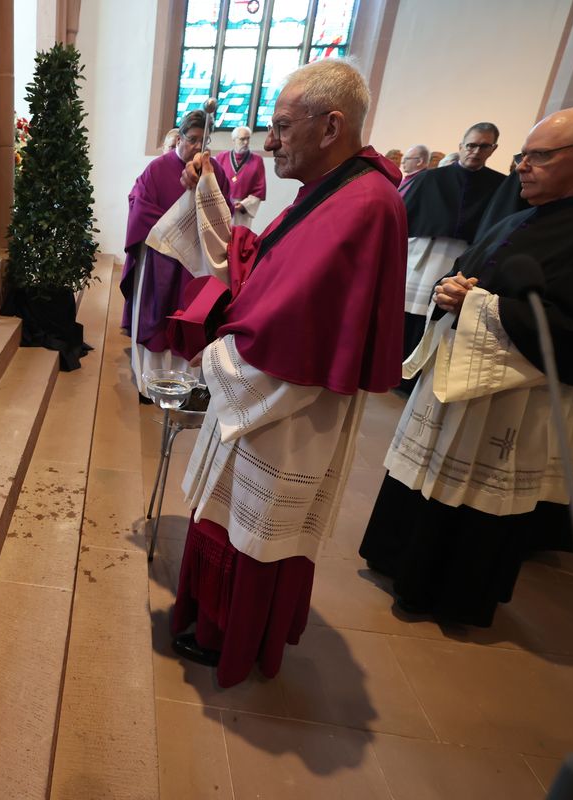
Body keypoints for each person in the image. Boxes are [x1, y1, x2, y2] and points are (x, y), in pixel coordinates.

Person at [159, 59, 406, 687]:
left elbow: (300, 326)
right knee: (233, 517)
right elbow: (262, 265)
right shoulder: (336, 189)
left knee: (256, 527)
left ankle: (230, 638)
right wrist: (209, 191)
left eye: (280, 127)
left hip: (286, 404)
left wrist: (218, 357)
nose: (268, 143)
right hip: (272, 393)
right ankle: (214, 622)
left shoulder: (365, 204)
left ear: (331, 127)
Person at [359, 107, 573, 626]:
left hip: (515, 400)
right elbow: (467, 269)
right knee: (428, 476)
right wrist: (451, 287)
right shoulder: (520, 214)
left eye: (540, 156)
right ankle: (397, 559)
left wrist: (482, 306)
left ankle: (447, 593)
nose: (523, 167)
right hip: (461, 376)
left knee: (476, 492)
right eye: (523, 156)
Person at [398, 123, 505, 389]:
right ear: (461, 146)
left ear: (493, 149)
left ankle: (419, 374)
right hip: (424, 256)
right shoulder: (429, 179)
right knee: (408, 314)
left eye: (484, 146)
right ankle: (395, 369)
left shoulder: (499, 185)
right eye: (471, 145)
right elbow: (405, 218)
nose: (476, 151)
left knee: (437, 316)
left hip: (462, 259)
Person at [120, 110, 212, 396]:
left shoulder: (213, 172)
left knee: (190, 320)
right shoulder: (157, 170)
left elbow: (223, 212)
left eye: (203, 141)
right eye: (192, 139)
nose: (197, 147)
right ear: (180, 137)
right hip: (161, 262)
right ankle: (151, 383)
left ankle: (187, 385)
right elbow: (141, 209)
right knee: (157, 320)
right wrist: (176, 230)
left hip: (195, 264)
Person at [214, 125, 267, 227]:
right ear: (234, 140)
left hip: (242, 211)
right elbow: (213, 183)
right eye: (242, 139)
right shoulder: (221, 158)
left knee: (239, 238)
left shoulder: (257, 160)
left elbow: (259, 189)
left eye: (248, 139)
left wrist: (244, 204)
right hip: (221, 207)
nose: (246, 142)